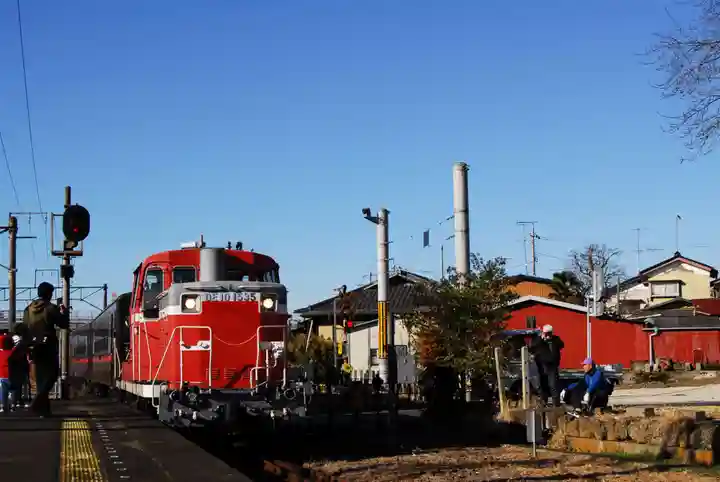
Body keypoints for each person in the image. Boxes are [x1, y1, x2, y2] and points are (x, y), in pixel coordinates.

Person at [17, 282, 69, 417]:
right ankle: (37, 403)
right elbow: (63, 324)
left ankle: (44, 411)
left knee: (40, 378)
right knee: (52, 375)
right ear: (49, 293)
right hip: (48, 346)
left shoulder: (28, 309)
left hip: (34, 346)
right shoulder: (50, 308)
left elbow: (25, 327)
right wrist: (64, 312)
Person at [529, 324, 564, 406]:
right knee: (543, 385)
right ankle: (543, 402)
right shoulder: (539, 341)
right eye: (546, 333)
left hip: (552, 366)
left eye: (549, 333)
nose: (548, 335)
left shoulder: (555, 339)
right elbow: (532, 347)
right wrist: (542, 339)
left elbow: (562, 345)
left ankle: (556, 404)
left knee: (553, 385)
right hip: (542, 365)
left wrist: (552, 340)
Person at [0, 332, 14, 413]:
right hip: (13, 375)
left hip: (2, 375)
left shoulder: (1, 353)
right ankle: (13, 405)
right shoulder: (14, 352)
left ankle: (4, 406)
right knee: (13, 391)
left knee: (3, 392)